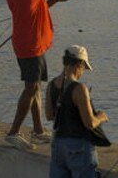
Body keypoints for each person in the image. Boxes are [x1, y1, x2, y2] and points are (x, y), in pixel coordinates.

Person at [4, 0, 94, 149]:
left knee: (35, 87)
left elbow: (35, 8)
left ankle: (37, 131)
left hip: (21, 41)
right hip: (32, 44)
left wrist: (56, 0)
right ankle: (13, 132)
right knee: (30, 89)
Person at [46, 46, 108, 177]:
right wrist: (101, 117)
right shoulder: (79, 88)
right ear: (79, 64)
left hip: (58, 145)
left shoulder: (51, 85)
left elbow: (49, 116)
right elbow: (89, 123)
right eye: (84, 68)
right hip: (79, 146)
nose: (83, 72)